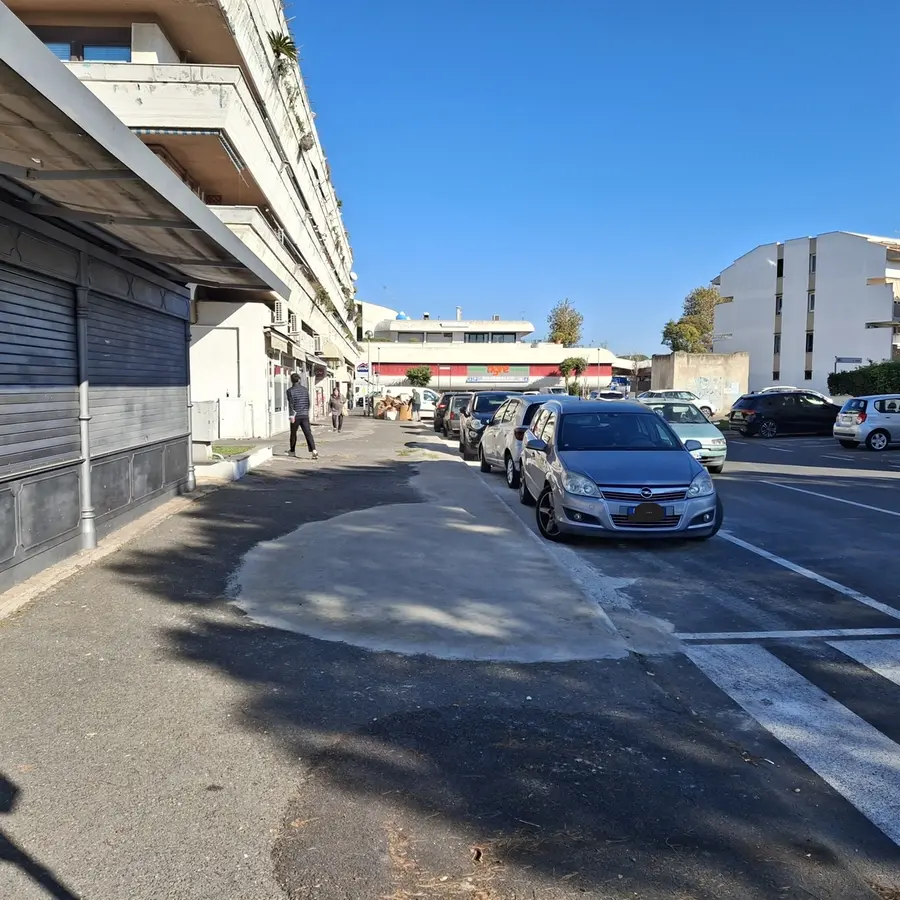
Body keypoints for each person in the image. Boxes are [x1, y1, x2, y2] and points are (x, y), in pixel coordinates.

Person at [286, 373, 317, 459]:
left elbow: (291, 404)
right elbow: (308, 402)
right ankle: (314, 450)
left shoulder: (290, 391)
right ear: (299, 380)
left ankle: (292, 451)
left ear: (291, 380)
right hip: (304, 414)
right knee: (308, 433)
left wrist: (291, 415)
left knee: (293, 434)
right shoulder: (305, 390)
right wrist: (306, 411)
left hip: (296, 415)